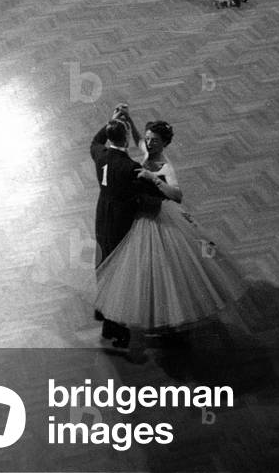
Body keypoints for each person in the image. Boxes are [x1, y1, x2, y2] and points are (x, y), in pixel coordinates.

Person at [95, 120, 237, 339]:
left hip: (154, 220)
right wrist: (129, 119)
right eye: (148, 138)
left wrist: (154, 179)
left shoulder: (165, 166)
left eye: (155, 140)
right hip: (138, 216)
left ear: (165, 144)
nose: (149, 143)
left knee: (163, 273)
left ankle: (165, 318)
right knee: (141, 272)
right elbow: (138, 139)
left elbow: (177, 196)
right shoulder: (145, 150)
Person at [90, 110, 150, 347]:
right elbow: (146, 190)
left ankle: (102, 307)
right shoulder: (129, 167)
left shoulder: (100, 155)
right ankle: (113, 324)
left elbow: (95, 141)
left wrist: (110, 122)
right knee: (118, 268)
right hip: (120, 219)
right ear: (125, 139)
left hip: (102, 213)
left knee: (103, 260)